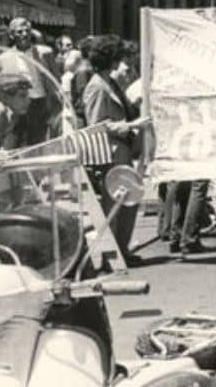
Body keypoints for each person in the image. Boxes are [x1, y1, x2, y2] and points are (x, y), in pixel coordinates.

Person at [82, 35, 148, 266]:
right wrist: (131, 126)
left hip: (121, 149)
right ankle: (114, 256)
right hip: (109, 153)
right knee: (115, 204)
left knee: (127, 200)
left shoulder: (109, 82)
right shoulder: (97, 86)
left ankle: (122, 250)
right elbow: (97, 124)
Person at [7, 18, 55, 146]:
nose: (24, 34)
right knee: (17, 144)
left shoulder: (44, 53)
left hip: (39, 104)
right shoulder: (6, 56)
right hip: (18, 106)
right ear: (12, 35)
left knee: (38, 144)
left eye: (27, 31)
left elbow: (56, 80)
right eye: (20, 32)